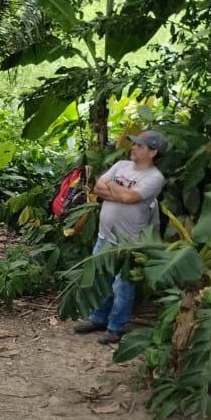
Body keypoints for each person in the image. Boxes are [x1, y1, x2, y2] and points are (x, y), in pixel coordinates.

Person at [72, 129, 168, 344]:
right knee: (102, 281)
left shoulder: (155, 178)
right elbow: (98, 187)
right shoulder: (121, 166)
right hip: (104, 236)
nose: (133, 148)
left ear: (152, 152)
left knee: (123, 287)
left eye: (139, 146)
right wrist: (121, 193)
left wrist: (114, 189)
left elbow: (130, 197)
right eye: (134, 144)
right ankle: (98, 318)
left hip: (130, 243)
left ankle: (116, 327)